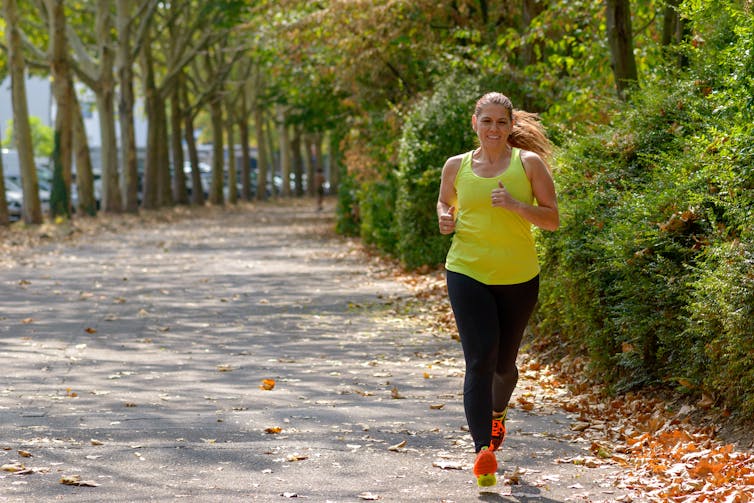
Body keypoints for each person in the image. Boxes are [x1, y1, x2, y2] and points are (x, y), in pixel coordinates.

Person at [436, 92, 559, 488]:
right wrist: (444, 216)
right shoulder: (456, 166)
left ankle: (497, 413)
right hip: (466, 270)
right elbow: (444, 202)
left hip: (519, 275)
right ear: (474, 123)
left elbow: (552, 218)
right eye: (486, 121)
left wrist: (516, 206)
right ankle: (482, 453)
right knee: (480, 359)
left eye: (501, 122)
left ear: (511, 126)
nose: (494, 129)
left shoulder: (529, 164)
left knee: (505, 365)